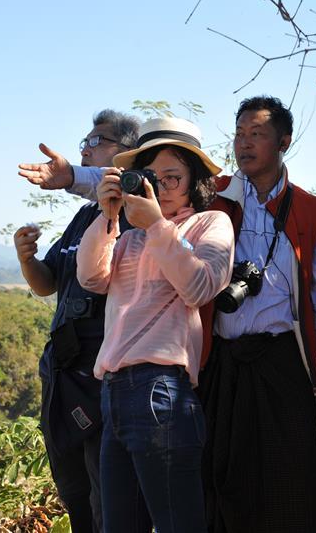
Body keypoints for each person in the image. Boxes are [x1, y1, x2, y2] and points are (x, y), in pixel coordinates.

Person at [75, 117, 234, 533]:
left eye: (172, 177)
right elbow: (91, 277)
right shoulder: (130, 236)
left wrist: (158, 226)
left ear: (194, 181)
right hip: (114, 391)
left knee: (177, 524)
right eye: (149, 176)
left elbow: (199, 287)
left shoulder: (209, 224)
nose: (160, 187)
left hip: (161, 390)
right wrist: (108, 218)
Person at [198, 95, 316, 533]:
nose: (243, 144)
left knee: (289, 486)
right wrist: (73, 178)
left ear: (284, 141)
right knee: (218, 481)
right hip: (221, 363)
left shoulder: (313, 212)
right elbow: (156, 180)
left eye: (256, 134)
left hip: (283, 364)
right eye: (239, 134)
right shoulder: (213, 196)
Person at [13, 109, 141, 533]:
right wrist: (26, 259)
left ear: (125, 156)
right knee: (73, 491)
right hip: (63, 372)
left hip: (101, 373)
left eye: (96, 141)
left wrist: (71, 177)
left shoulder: (136, 216)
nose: (85, 148)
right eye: (85, 141)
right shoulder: (85, 216)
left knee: (106, 491)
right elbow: (47, 283)